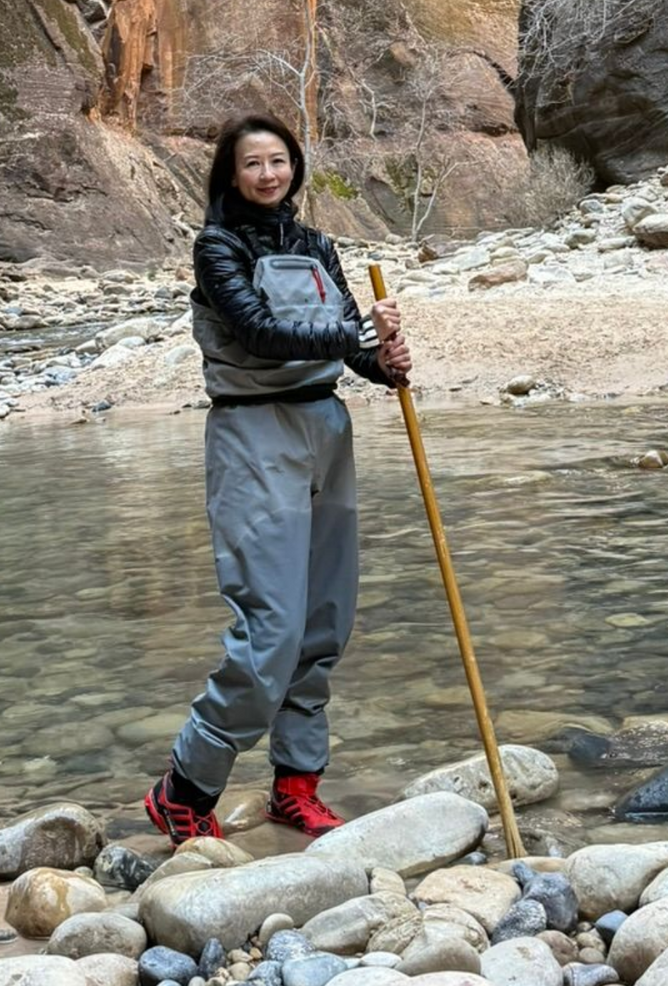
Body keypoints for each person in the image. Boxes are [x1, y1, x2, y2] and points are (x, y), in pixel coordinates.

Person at [144, 114, 413, 843]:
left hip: (325, 431)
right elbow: (259, 330)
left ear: (294, 167)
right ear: (230, 176)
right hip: (253, 434)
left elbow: (350, 345)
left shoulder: (318, 246)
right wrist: (351, 336)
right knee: (272, 629)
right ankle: (184, 787)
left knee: (324, 622)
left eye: (278, 161)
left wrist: (384, 363)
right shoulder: (217, 247)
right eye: (252, 164)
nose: (268, 174)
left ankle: (296, 785)